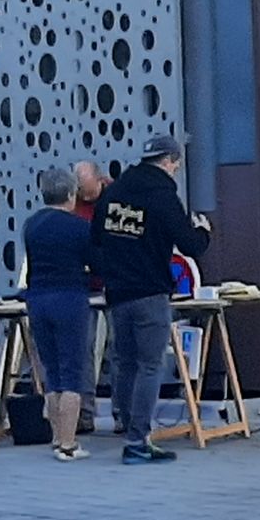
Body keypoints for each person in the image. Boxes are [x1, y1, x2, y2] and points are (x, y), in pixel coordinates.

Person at [92, 134, 211, 465]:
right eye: (176, 164)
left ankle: (126, 424)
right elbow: (190, 245)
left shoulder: (113, 193)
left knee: (125, 363)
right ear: (170, 161)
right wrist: (204, 231)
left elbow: (96, 240)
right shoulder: (163, 196)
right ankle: (137, 440)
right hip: (150, 292)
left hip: (117, 294)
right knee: (150, 365)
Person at [23, 167, 94, 461]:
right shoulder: (78, 227)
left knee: (51, 372)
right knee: (72, 372)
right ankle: (69, 443)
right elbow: (95, 261)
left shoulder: (31, 224)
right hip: (70, 299)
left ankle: (55, 437)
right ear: (71, 194)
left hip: (37, 299)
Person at [72, 160, 116, 435]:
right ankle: (84, 415)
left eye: (89, 193)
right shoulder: (71, 202)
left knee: (118, 347)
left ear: (100, 180)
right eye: (81, 193)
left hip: (112, 280)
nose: (85, 198)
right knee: (83, 349)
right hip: (83, 284)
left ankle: (122, 413)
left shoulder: (115, 196)